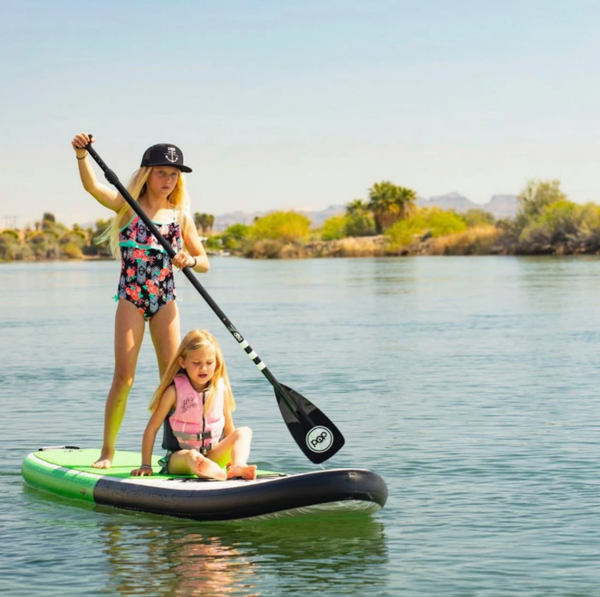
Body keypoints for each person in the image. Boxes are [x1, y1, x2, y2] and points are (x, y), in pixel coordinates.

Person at [71, 133, 210, 469]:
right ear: (146, 172)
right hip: (132, 297)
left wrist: (188, 260)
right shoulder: (127, 205)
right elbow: (93, 188)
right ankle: (108, 451)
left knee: (174, 379)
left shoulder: (180, 215)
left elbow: (203, 260)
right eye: (162, 172)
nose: (168, 180)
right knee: (125, 377)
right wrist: (80, 156)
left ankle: (177, 450)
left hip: (165, 300)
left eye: (174, 174)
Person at [131, 329, 257, 480]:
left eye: (209, 363)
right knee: (192, 456)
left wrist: (229, 460)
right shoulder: (174, 392)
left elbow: (229, 430)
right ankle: (204, 468)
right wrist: (146, 465)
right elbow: (152, 429)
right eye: (196, 363)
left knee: (244, 432)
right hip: (180, 459)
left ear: (217, 363)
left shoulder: (220, 390)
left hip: (212, 454)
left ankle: (237, 466)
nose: (203, 368)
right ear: (182, 362)